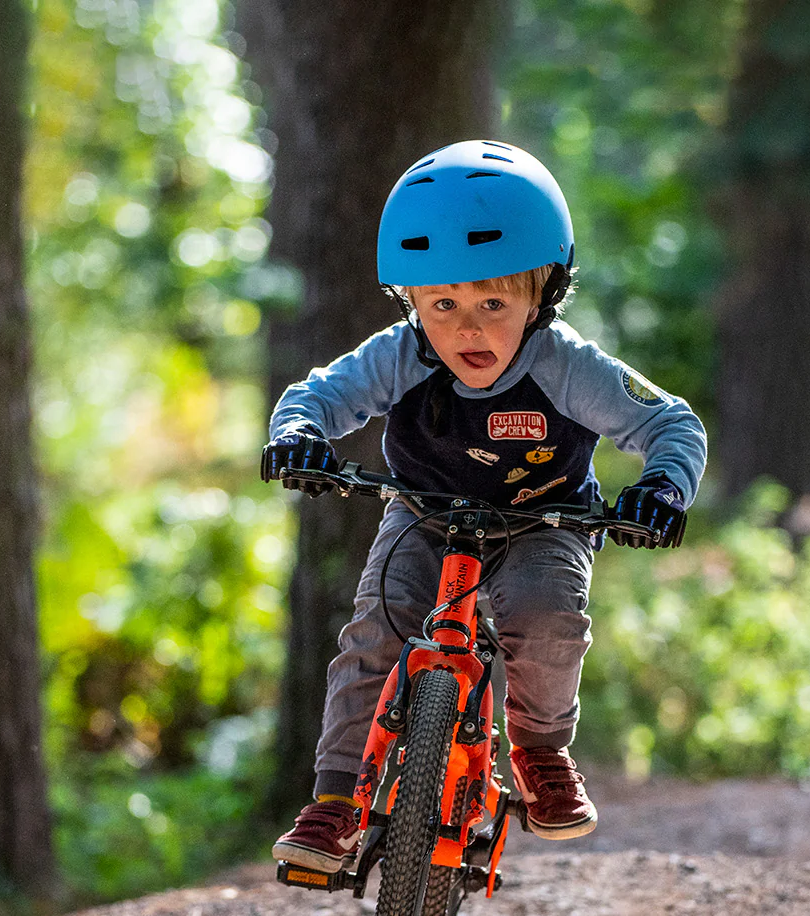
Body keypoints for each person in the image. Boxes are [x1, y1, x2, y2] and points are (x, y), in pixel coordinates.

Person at [262, 140, 707, 873]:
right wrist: (300, 435)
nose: (466, 327)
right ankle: (337, 801)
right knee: (375, 635)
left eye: (492, 302)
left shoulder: (567, 364)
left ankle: (539, 751)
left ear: (543, 295)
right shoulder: (401, 354)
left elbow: (672, 424)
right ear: (411, 301)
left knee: (548, 618)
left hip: (547, 520)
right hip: (423, 514)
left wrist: (662, 489)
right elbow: (318, 395)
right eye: (442, 304)